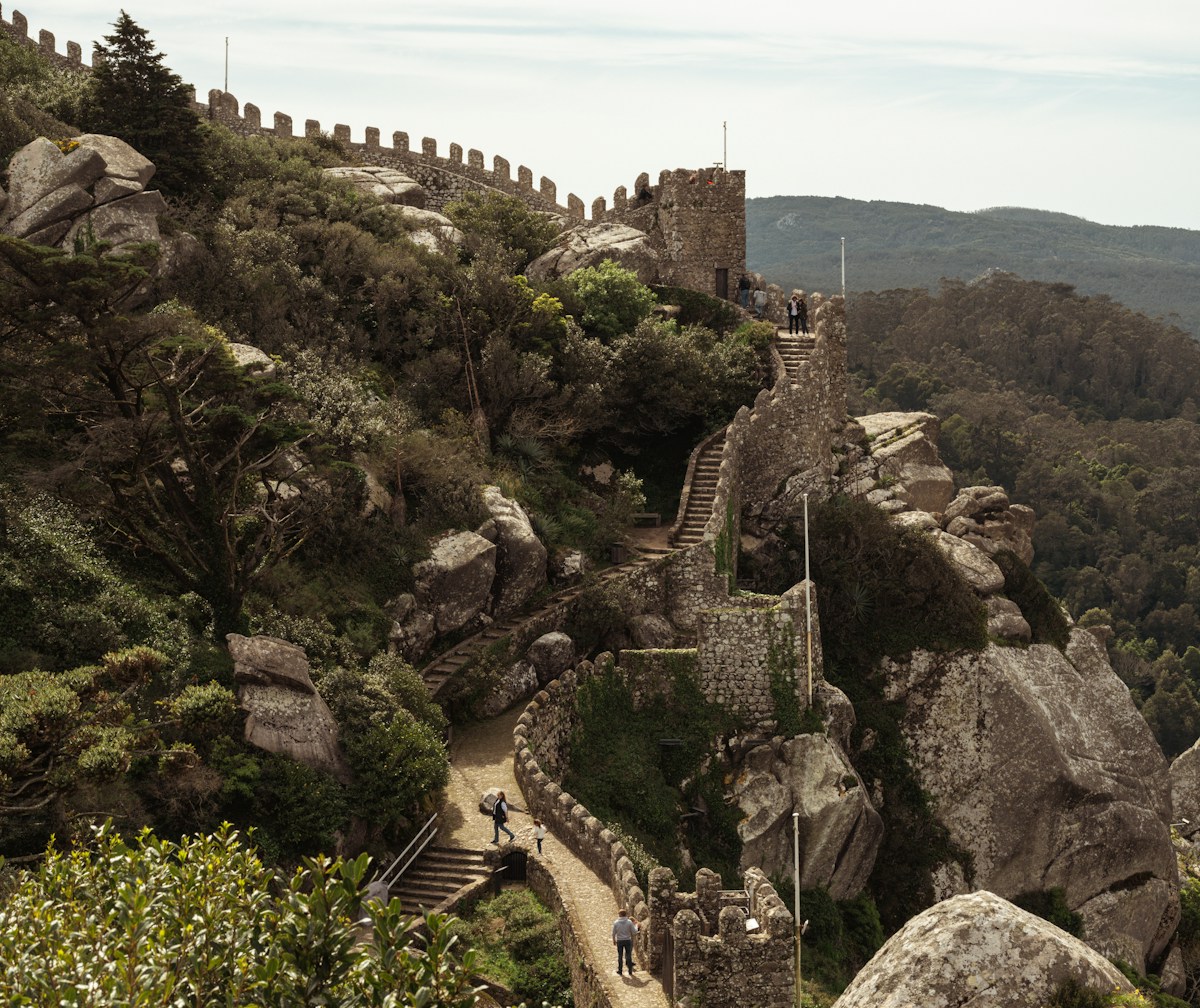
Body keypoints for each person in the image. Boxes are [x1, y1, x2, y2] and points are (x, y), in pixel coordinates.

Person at [612, 908, 638, 976]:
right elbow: (634, 932)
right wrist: (636, 926)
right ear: (625, 914)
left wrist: (614, 940)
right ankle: (630, 971)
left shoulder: (616, 922)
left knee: (620, 956)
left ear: (620, 915)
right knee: (628, 955)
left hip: (620, 941)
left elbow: (614, 933)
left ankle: (620, 970)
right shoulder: (629, 922)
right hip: (627, 940)